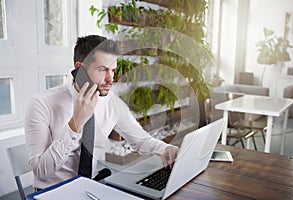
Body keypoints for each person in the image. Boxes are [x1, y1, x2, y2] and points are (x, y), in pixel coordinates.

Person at [25, 35, 178, 190]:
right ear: (80, 68)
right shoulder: (41, 104)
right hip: (52, 192)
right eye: (103, 70)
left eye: (113, 70)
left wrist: (165, 148)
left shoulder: (111, 102)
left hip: (90, 188)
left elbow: (140, 140)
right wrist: (76, 123)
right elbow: (42, 173)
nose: (110, 79)